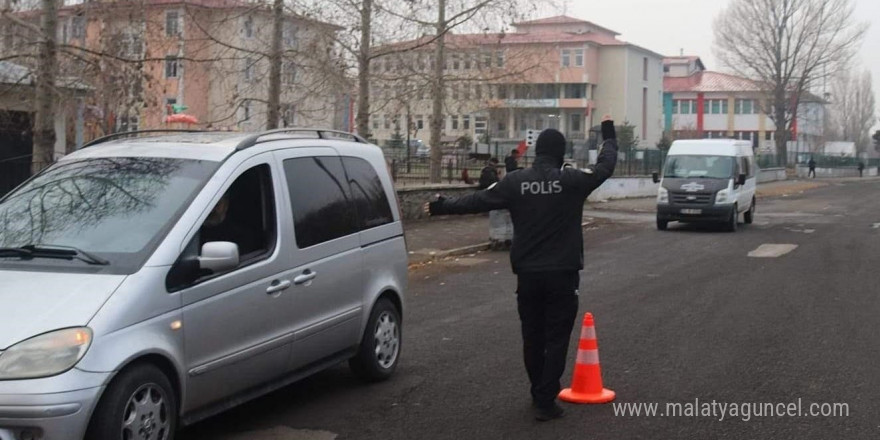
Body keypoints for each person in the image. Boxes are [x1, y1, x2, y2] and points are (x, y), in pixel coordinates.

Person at [425, 116, 618, 421]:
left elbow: (479, 200)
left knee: (532, 336)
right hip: (563, 275)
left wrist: (441, 205)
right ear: (560, 154)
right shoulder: (571, 182)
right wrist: (609, 136)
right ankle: (545, 399)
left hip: (528, 274)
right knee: (556, 337)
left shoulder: (515, 182)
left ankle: (536, 391)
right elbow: (605, 167)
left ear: (536, 152)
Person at [200, 192, 262, 257]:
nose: (212, 209)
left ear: (226, 204)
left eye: (217, 204)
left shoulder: (240, 235)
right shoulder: (194, 231)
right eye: (208, 205)